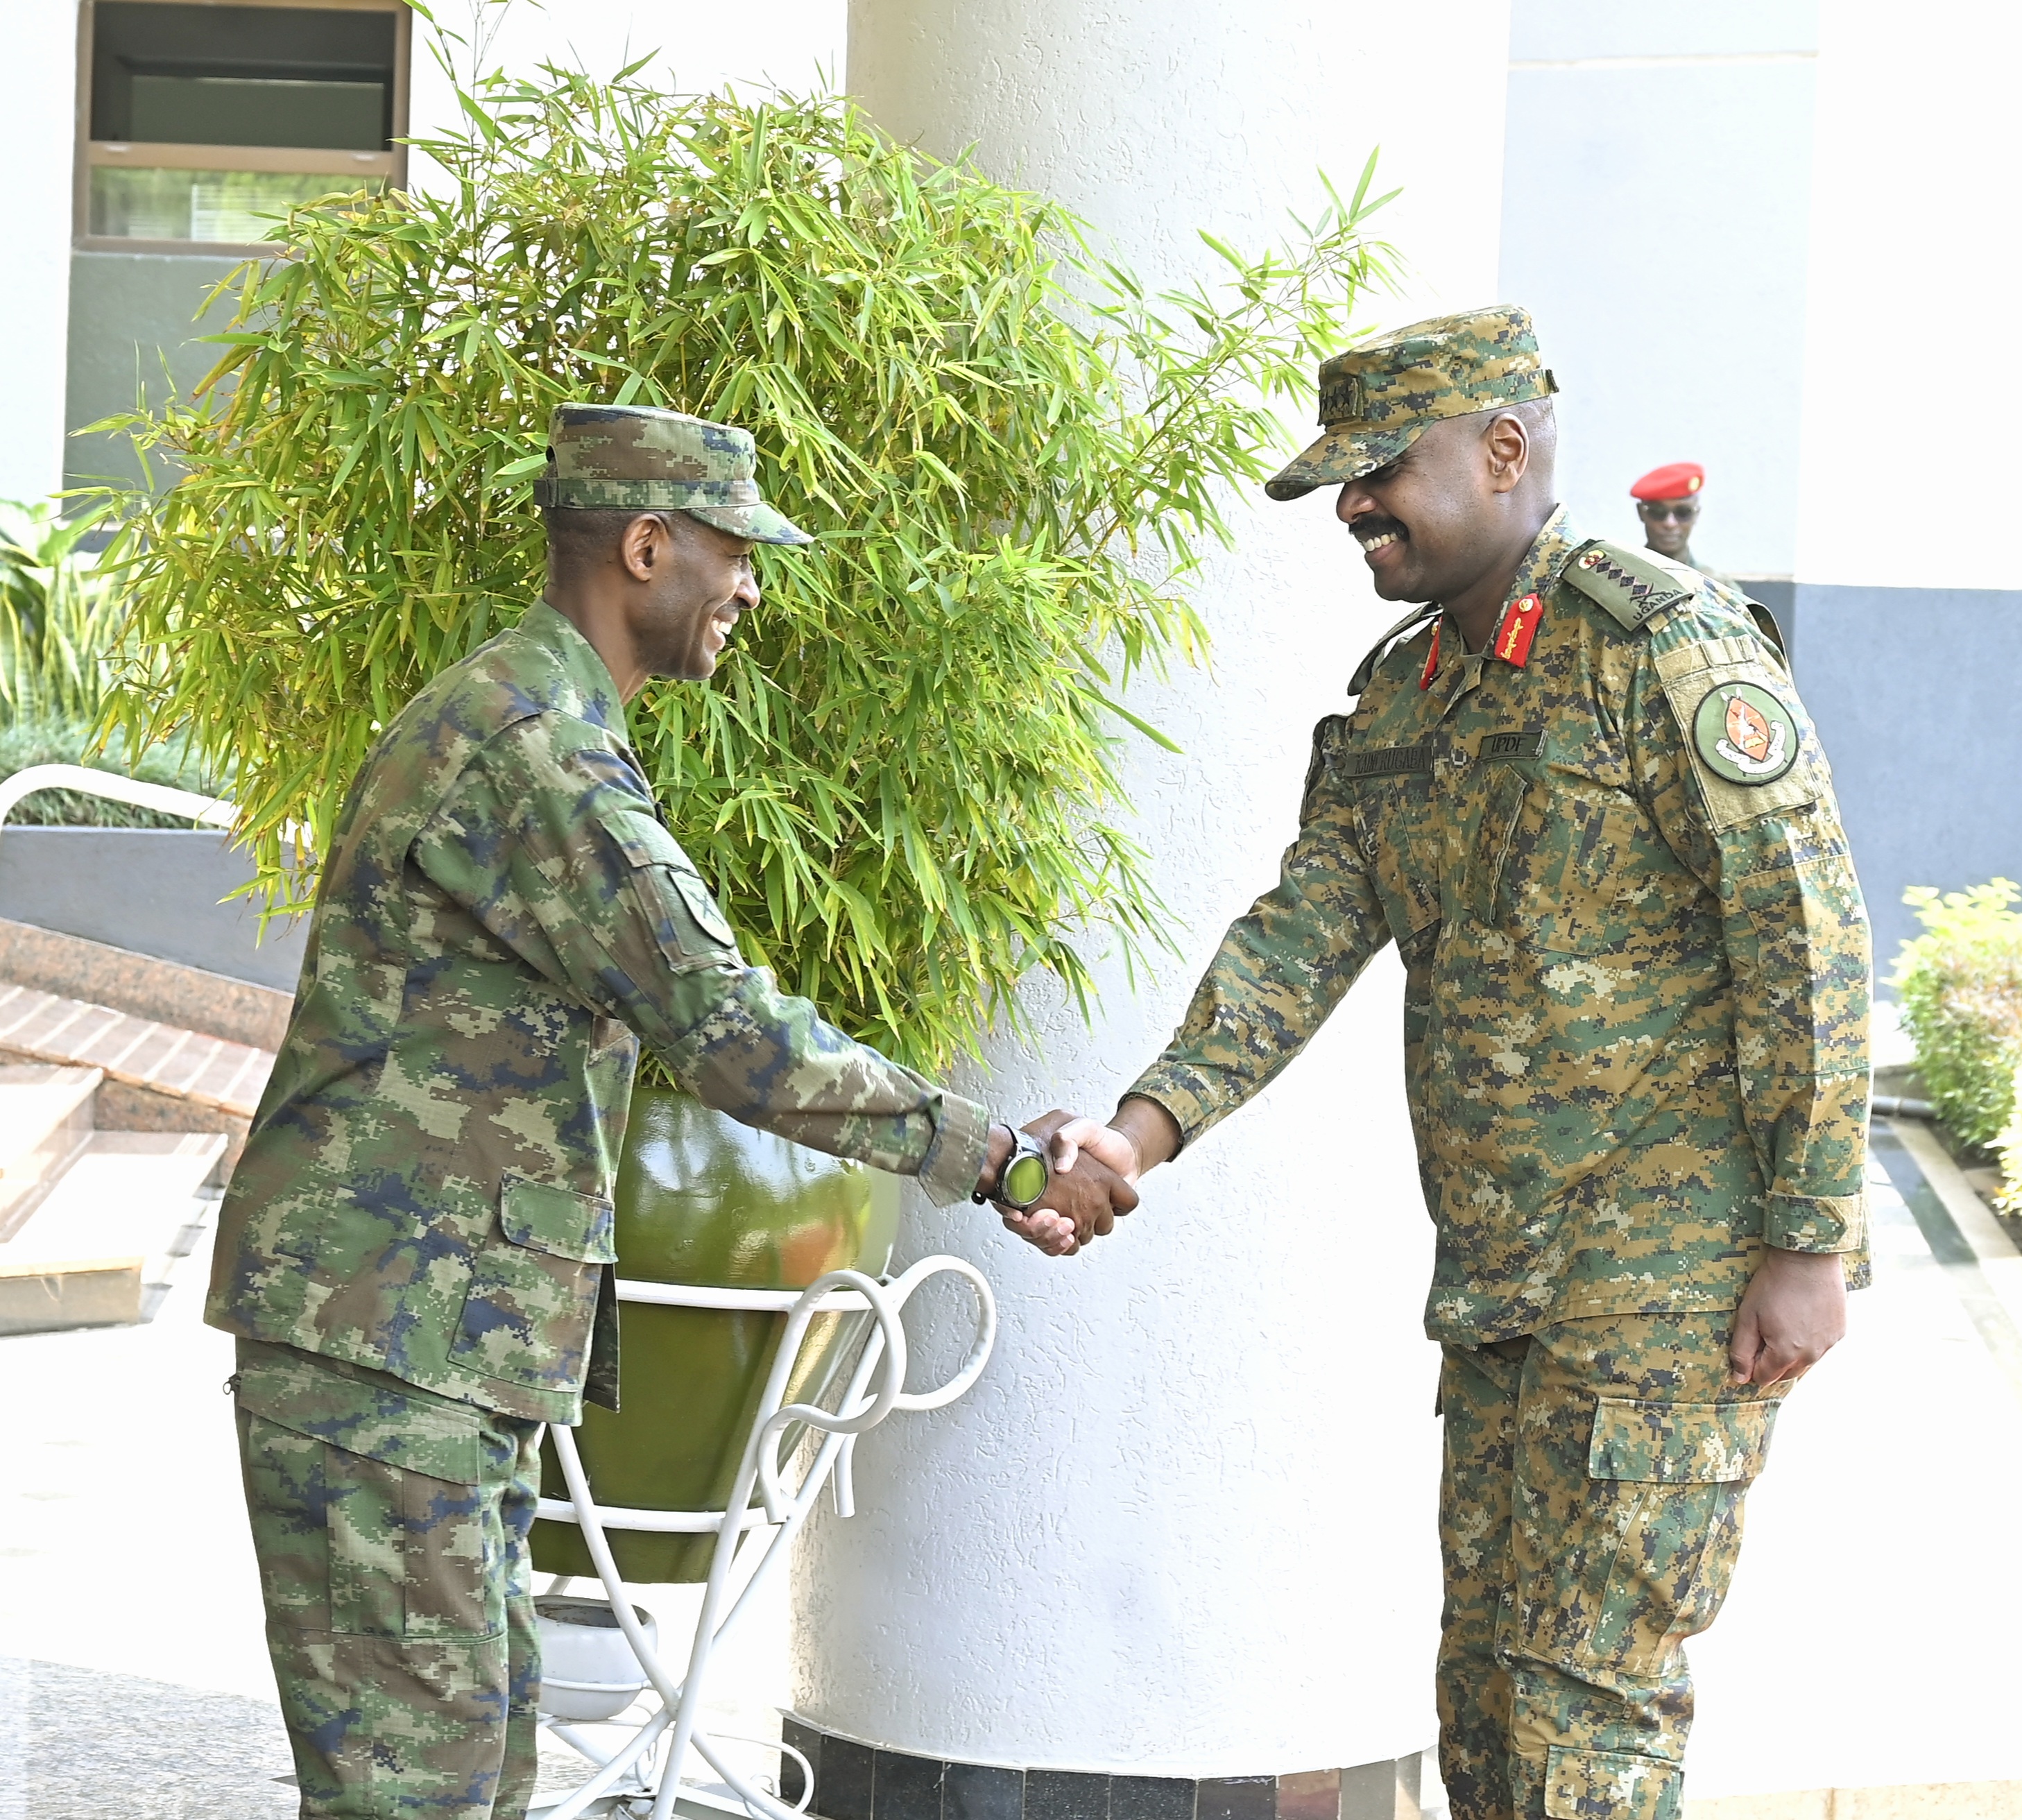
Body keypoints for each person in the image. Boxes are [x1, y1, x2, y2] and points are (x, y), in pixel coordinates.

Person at [206, 403, 1133, 1819]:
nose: (751, 585)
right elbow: (730, 1033)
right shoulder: (535, 753)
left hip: (419, 1350)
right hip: (387, 1357)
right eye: (734, 550)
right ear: (648, 547)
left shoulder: (536, 719)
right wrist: (996, 1159)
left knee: (464, 1786)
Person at [1033, 309, 1871, 1820]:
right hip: (1501, 1293)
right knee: (1484, 1712)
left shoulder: (1660, 647)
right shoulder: (1405, 697)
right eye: (1339, 482)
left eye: (1377, 472)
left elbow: (1804, 938)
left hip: (1668, 1290)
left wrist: (1807, 1241)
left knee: (1581, 1723)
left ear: (1501, 450)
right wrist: (1140, 1132)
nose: (1352, 506)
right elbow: (1297, 937)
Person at [1630, 460, 1717, 576]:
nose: (1670, 524)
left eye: (1683, 513)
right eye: (1658, 512)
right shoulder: (1616, 579)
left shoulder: (1717, 587)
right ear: (1641, 513)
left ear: (1696, 515)